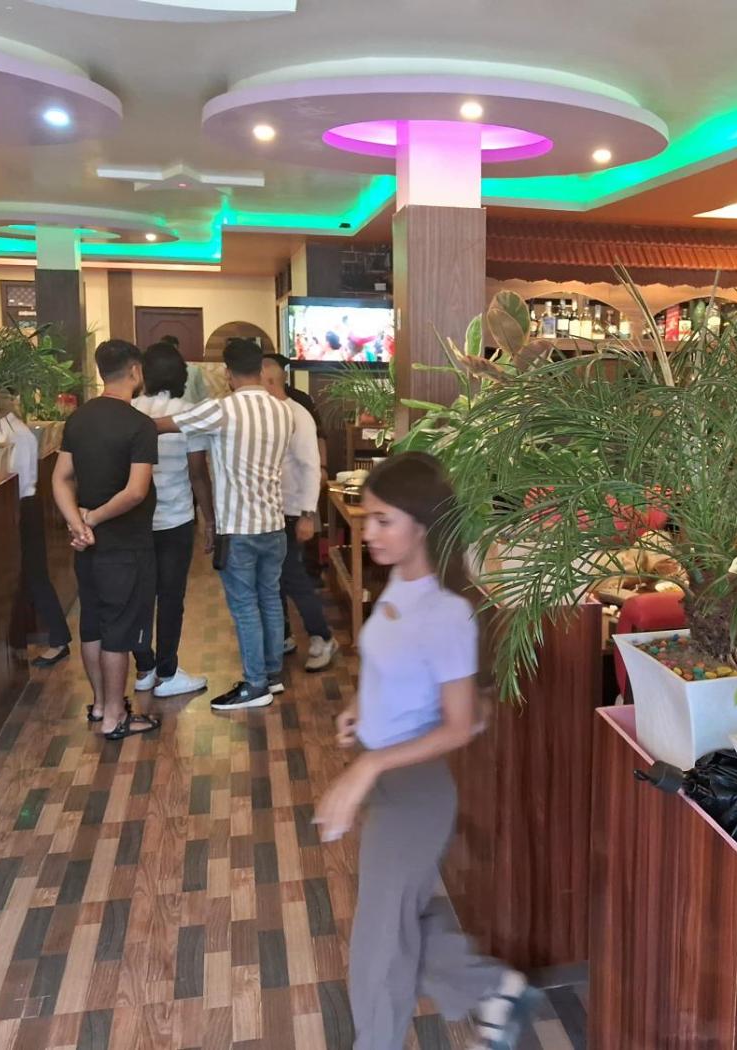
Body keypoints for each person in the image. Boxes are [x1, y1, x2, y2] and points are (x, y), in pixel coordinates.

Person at [315, 452, 538, 1050]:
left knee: (378, 944)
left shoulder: (447, 614)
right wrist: (361, 707)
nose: (369, 531)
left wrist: (368, 765)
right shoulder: (399, 584)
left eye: (383, 520)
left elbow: (461, 726)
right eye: (369, 517)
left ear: (421, 524)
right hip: (386, 777)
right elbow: (392, 663)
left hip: (415, 795)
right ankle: (496, 990)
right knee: (398, 920)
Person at [152, 338, 297, 711]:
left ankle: (255, 685)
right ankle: (271, 675)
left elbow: (162, 425)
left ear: (228, 373)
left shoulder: (221, 410)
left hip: (239, 529)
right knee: (270, 599)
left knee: (245, 606)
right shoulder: (284, 411)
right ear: (261, 369)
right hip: (274, 524)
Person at [52, 339, 162, 740]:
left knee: (93, 624)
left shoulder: (78, 419)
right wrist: (92, 521)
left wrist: (78, 524)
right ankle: (116, 716)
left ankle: (99, 705)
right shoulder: (140, 425)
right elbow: (135, 492)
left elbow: (60, 478)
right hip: (126, 546)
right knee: (120, 630)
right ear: (135, 371)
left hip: (88, 548)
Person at [130, 342, 216, 697]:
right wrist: (210, 521)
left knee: (138, 595)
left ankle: (144, 668)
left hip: (135, 519)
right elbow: (198, 474)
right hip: (176, 518)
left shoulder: (131, 411)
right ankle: (167, 672)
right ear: (181, 375)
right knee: (170, 597)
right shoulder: (187, 415)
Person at [261, 354, 338, 670]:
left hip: (293, 511)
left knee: (293, 578)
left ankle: (323, 636)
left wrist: (308, 514)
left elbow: (310, 467)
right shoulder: (264, 414)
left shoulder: (298, 414)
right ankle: (283, 636)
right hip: (269, 512)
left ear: (270, 380)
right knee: (273, 579)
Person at [0, 394, 71, 668]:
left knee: (35, 575)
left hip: (23, 507)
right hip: (28, 505)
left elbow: (10, 478)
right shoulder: (19, 429)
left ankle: (58, 639)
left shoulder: (5, 433)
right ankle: (21, 640)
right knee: (27, 576)